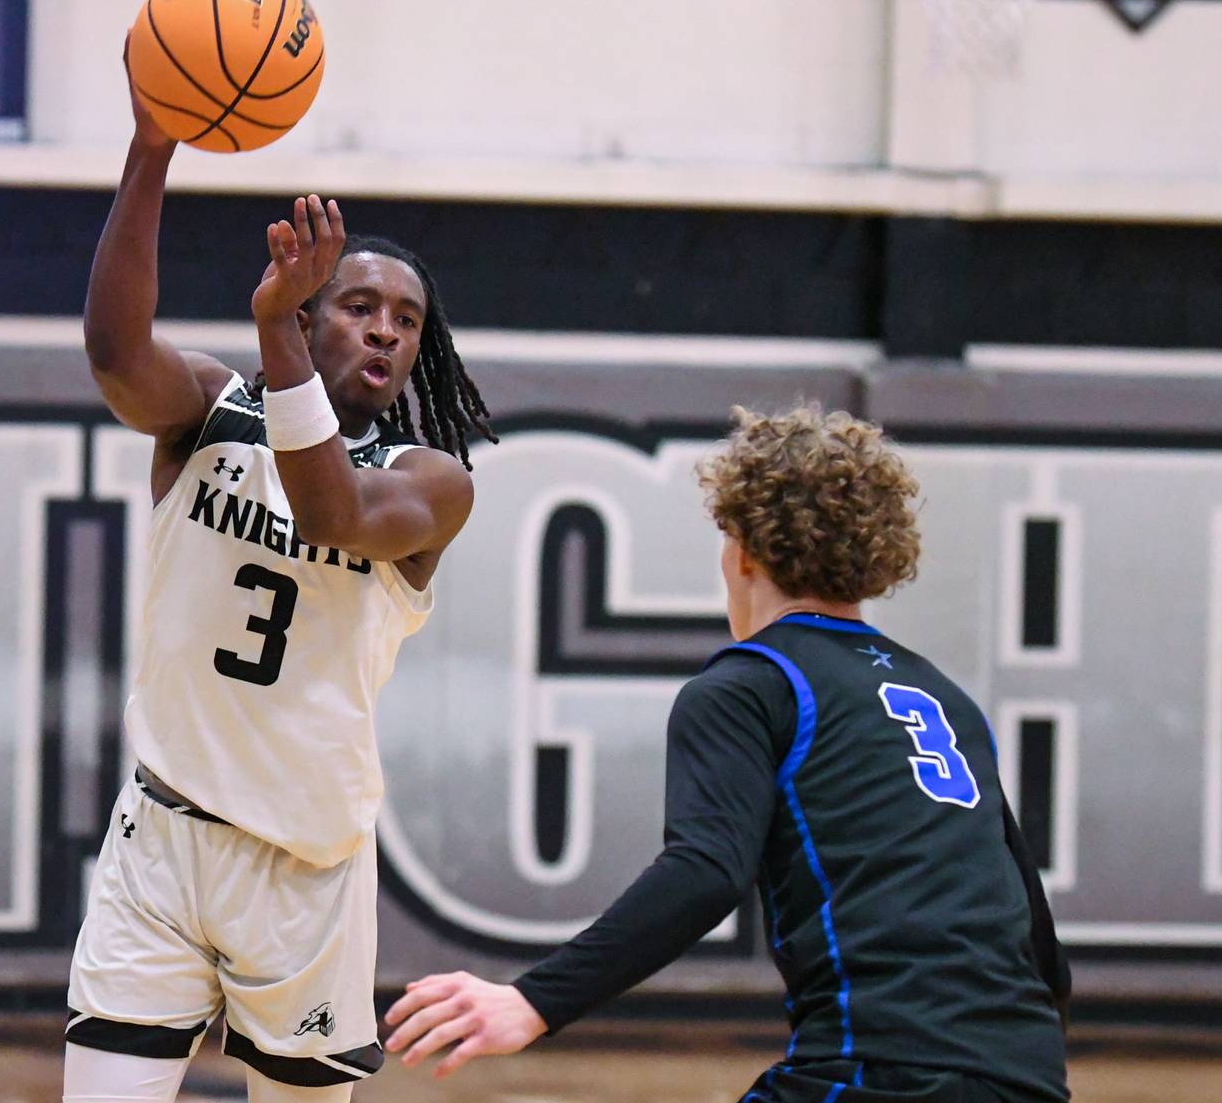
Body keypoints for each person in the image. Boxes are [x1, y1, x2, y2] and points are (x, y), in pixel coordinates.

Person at [384, 405, 1071, 1103]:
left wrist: (534, 1001)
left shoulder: (750, 684)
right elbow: (1035, 935)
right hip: (1029, 1075)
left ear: (743, 549)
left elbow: (706, 871)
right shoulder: (944, 696)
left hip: (881, 1074)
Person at [63, 51, 495, 1103]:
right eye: (356, 304)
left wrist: (274, 334)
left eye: (406, 318)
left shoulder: (428, 483)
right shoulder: (209, 413)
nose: (386, 327)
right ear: (307, 314)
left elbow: (329, 512)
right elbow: (116, 352)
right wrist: (152, 148)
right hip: (160, 841)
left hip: (303, 871)